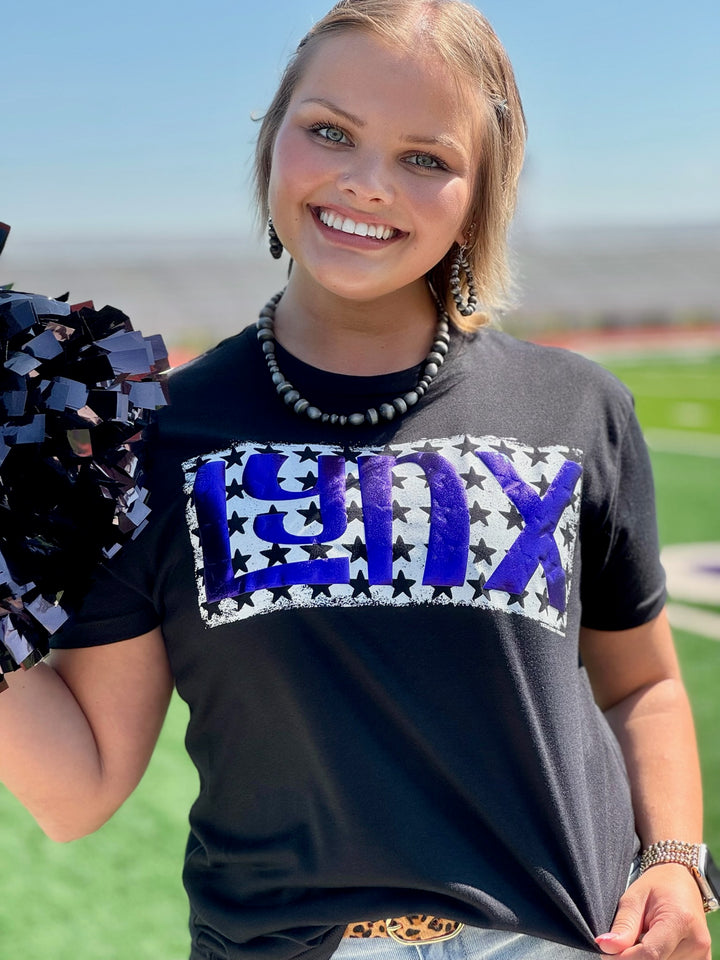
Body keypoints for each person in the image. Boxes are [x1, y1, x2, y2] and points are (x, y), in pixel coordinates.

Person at [0, 1, 714, 958]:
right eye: (330, 131)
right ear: (272, 144)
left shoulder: (578, 406)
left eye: (426, 158)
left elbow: (643, 687)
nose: (366, 184)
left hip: (558, 940)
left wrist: (673, 855)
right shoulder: (160, 438)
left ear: (481, 193)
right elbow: (79, 790)